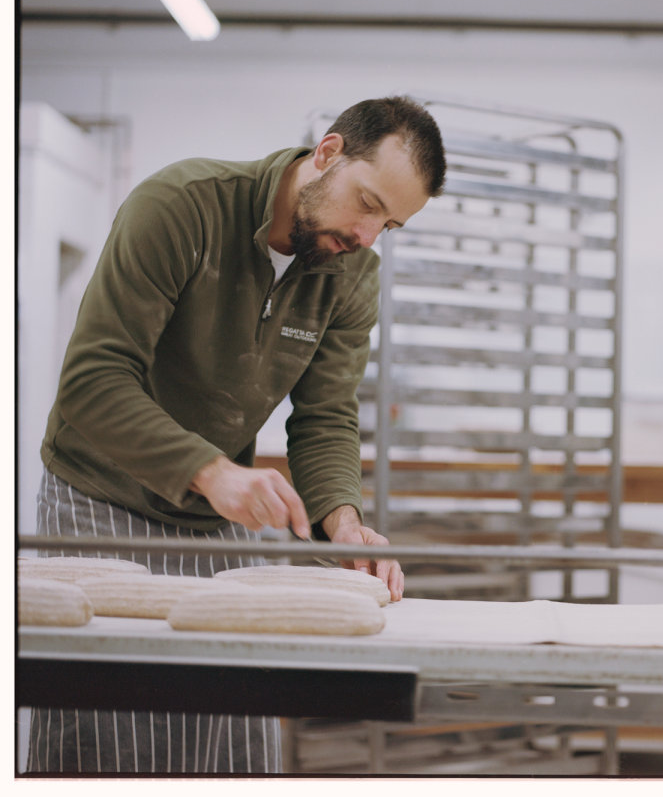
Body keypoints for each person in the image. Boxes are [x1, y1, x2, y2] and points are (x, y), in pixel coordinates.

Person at [24, 95, 447, 774]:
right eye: (366, 203)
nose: (369, 236)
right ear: (328, 154)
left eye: (389, 224)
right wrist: (213, 471)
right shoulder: (181, 207)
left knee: (235, 735)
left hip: (213, 511)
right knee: (109, 738)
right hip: (97, 503)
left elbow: (326, 414)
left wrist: (342, 521)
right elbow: (92, 382)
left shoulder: (350, 272)